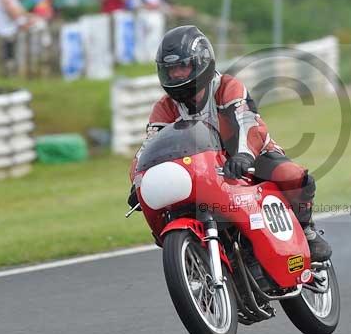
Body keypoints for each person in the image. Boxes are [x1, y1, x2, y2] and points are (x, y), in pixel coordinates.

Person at [128, 25, 332, 261]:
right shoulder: (164, 107)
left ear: (201, 61)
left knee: (293, 176)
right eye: (170, 70)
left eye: (182, 67)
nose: (176, 75)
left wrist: (244, 155)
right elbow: (150, 147)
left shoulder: (226, 87)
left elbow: (247, 123)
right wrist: (139, 181)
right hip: (201, 167)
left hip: (250, 156)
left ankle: (306, 231)